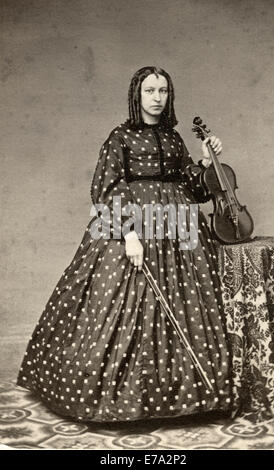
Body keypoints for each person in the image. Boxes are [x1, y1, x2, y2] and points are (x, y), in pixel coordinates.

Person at [17, 66, 232, 423]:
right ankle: (126, 401)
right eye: (150, 91)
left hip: (179, 232)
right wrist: (128, 235)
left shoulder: (175, 139)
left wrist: (207, 162)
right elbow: (105, 188)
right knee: (122, 306)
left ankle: (189, 397)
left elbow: (194, 191)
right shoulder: (120, 138)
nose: (157, 98)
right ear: (137, 95)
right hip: (133, 227)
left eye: (163, 91)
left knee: (192, 304)